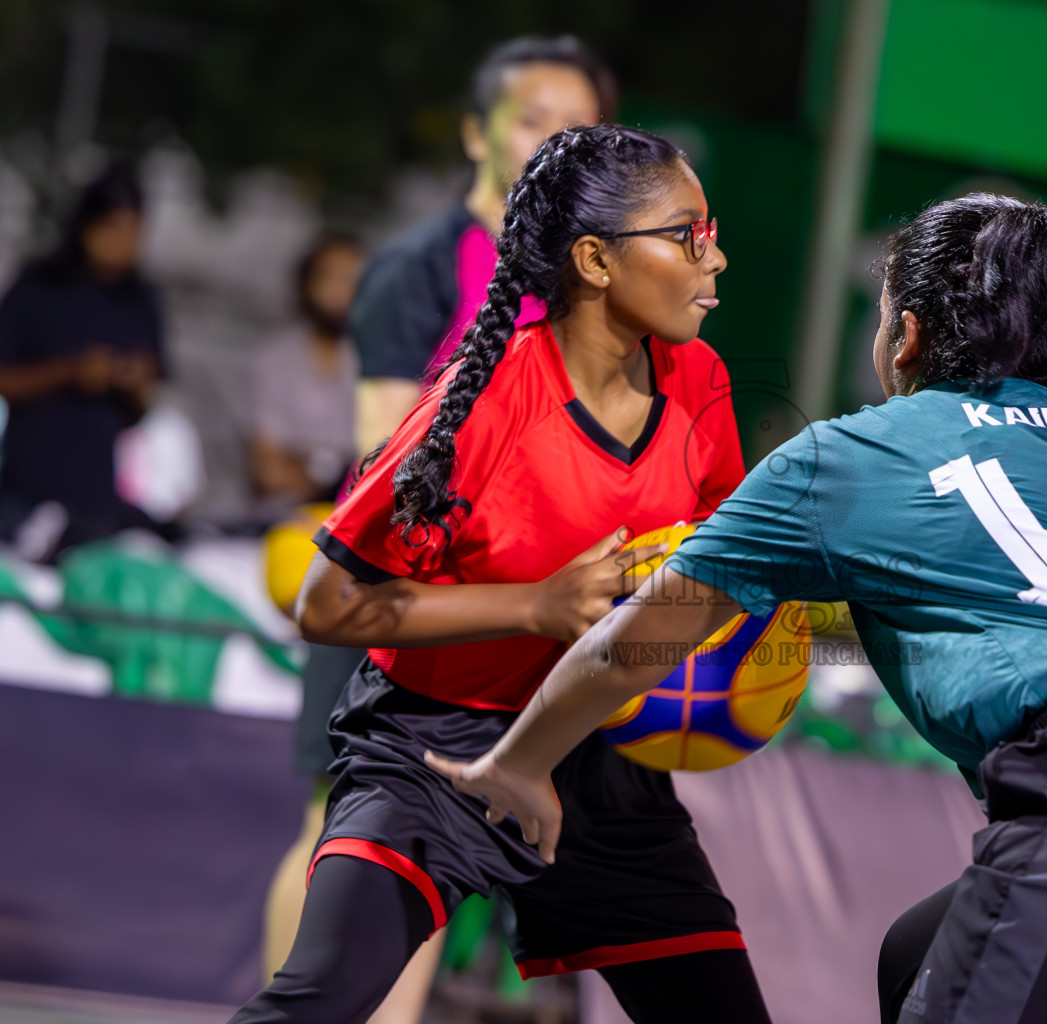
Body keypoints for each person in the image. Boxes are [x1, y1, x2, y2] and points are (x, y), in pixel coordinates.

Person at [429, 194, 1047, 1024]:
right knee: (918, 960)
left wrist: (519, 765)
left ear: (905, 336)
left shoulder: (850, 455)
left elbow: (635, 644)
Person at [231, 124, 767, 1024]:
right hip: (431, 754)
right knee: (314, 1004)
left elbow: (717, 573)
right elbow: (326, 604)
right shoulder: (480, 405)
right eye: (687, 234)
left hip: (598, 754)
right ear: (595, 260)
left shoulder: (700, 383)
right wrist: (537, 605)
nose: (715, 257)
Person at [351, 35, 614, 456]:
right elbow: (382, 450)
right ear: (476, 134)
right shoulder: (416, 264)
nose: (556, 144)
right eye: (532, 121)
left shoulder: (597, 267)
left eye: (576, 127)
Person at [0, 160, 167, 555]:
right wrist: (70, 372)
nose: (123, 242)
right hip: (25, 489)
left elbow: (144, 408)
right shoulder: (38, 286)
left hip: (96, 495)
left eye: (133, 230)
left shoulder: (140, 300)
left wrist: (133, 384)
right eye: (113, 227)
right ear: (87, 225)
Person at [248, 235, 364, 510]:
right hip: (285, 516)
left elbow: (388, 466)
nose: (344, 292)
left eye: (355, 281)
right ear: (307, 285)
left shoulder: (377, 362)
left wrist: (303, 462)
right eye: (334, 278)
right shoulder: (274, 362)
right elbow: (269, 473)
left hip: (354, 521)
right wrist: (339, 477)